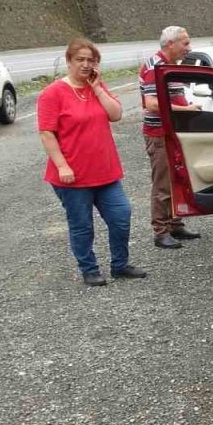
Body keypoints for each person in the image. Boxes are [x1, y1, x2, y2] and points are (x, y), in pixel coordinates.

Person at [38, 37, 146, 286]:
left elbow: (116, 115)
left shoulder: (96, 87)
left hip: (105, 172)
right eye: (80, 60)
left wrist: (97, 88)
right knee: (82, 225)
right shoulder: (52, 93)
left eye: (91, 60)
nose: (85, 65)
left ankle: (120, 265)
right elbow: (46, 133)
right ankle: (89, 268)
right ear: (69, 62)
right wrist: (62, 165)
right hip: (73, 176)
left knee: (121, 216)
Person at [139, 26, 201, 249]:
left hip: (174, 134)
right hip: (159, 135)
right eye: (185, 43)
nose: (189, 48)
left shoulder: (171, 66)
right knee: (163, 183)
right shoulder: (154, 66)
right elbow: (152, 103)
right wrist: (187, 110)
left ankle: (175, 223)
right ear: (170, 44)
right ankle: (161, 230)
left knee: (177, 179)